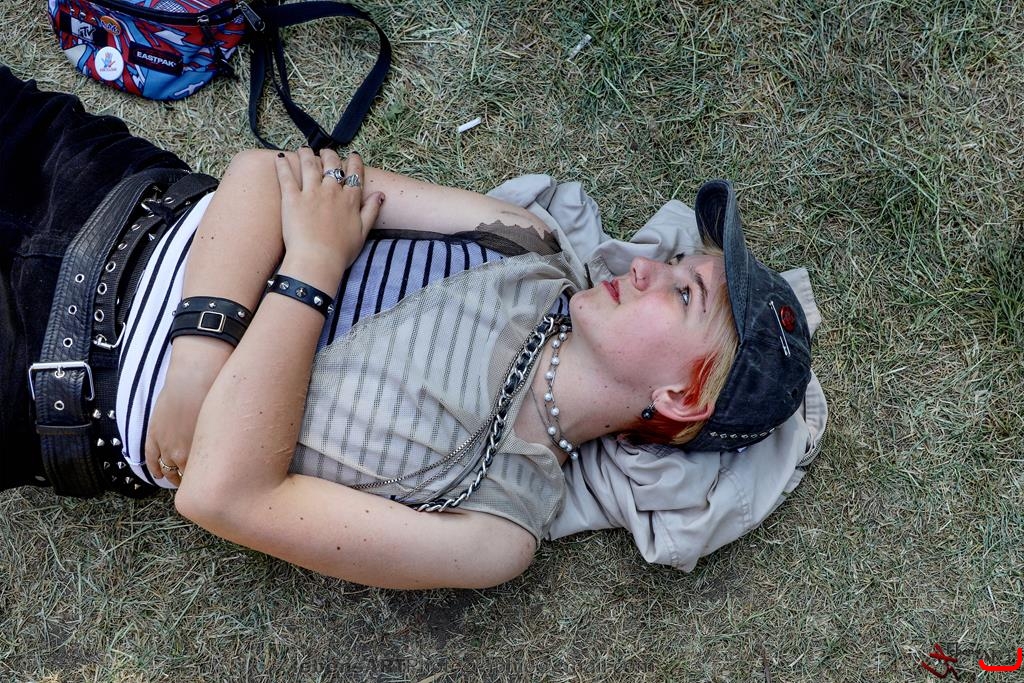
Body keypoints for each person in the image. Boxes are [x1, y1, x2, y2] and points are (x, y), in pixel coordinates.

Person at [1, 66, 814, 589]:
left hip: (40, 374)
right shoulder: (528, 240)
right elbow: (269, 176)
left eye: (682, 292)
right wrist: (198, 359)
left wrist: (316, 260)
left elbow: (222, 493)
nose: (645, 266)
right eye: (676, 260)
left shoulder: (494, 528)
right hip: (99, 181)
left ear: (679, 397)